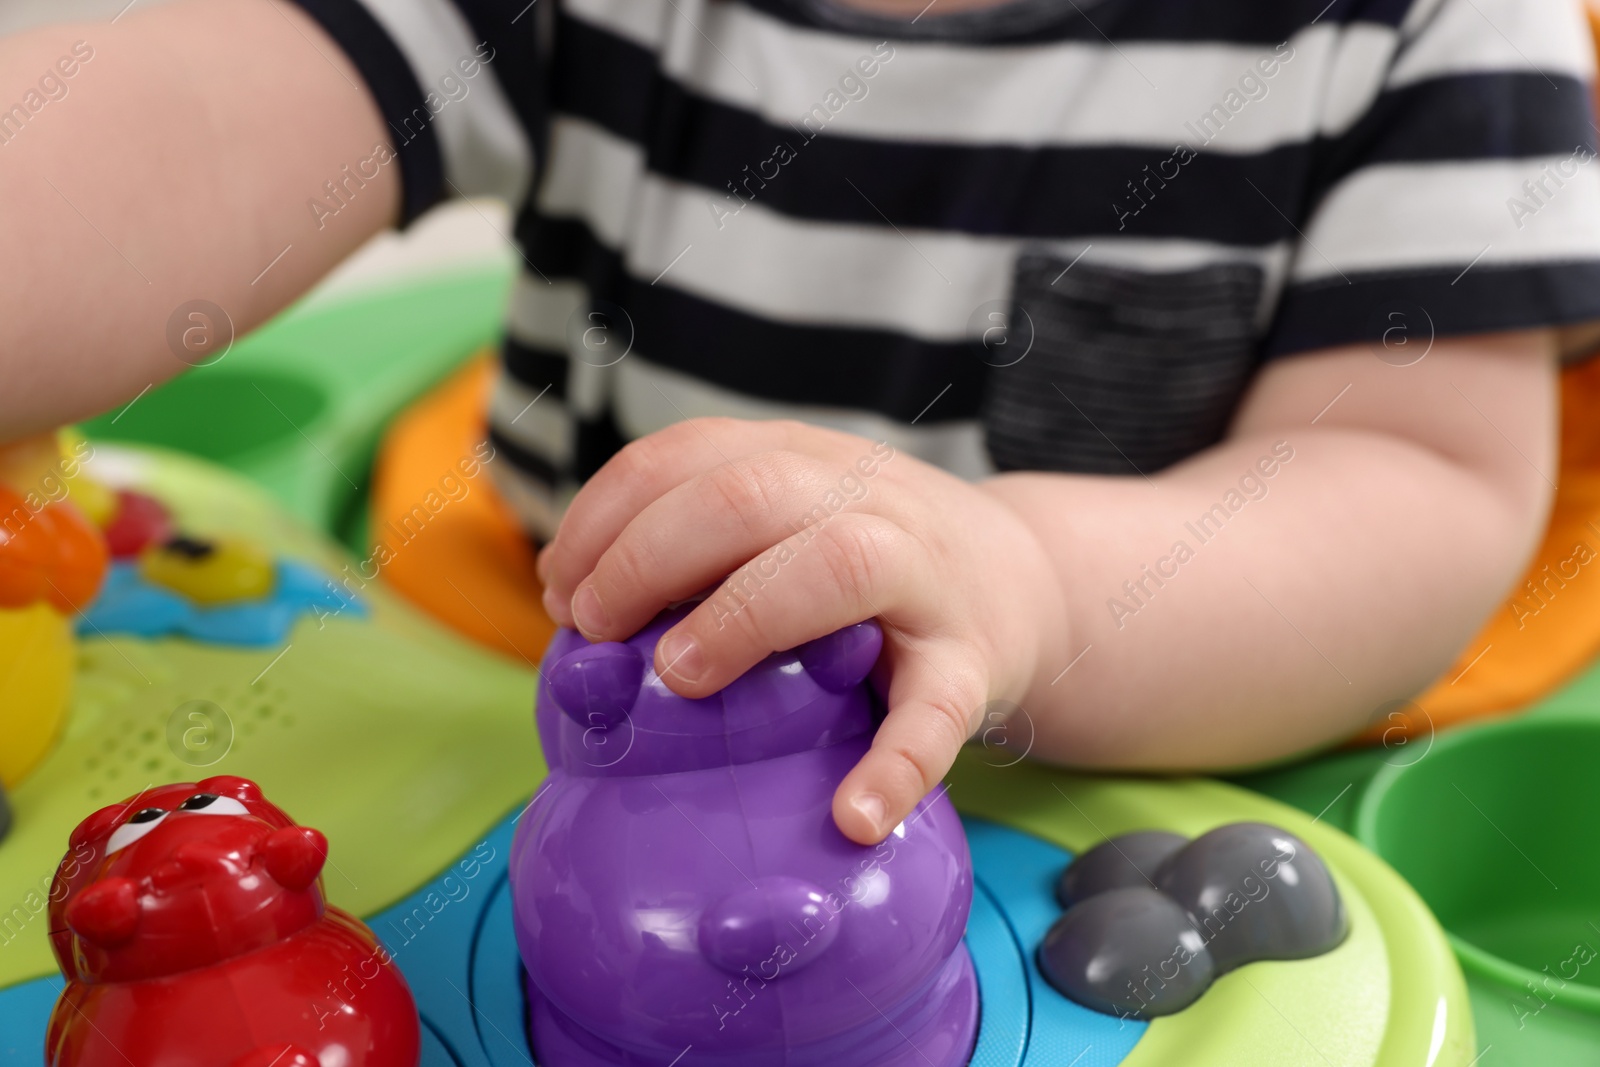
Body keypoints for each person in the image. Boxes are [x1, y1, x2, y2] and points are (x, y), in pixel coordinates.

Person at [2, 0, 1597, 844]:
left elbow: (1418, 482)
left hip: (1140, 758)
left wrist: (1028, 586)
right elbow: (183, 129)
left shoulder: (1433, 27)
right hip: (576, 682)